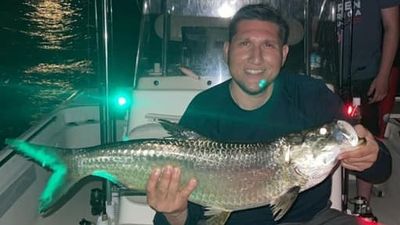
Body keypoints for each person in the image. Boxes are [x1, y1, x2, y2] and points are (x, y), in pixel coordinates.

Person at [146, 3, 392, 225]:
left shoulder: (311, 95)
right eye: (245, 44)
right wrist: (175, 214)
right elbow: (178, 219)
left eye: (268, 45)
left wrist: (371, 157)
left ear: (284, 54)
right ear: (227, 50)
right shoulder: (204, 108)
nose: (256, 57)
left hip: (311, 219)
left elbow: (382, 169)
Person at [336, 0, 399, 203]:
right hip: (331, 69)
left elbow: (392, 28)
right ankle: (332, 198)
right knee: (331, 133)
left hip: (367, 73)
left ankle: (362, 201)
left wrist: (383, 76)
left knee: (366, 133)